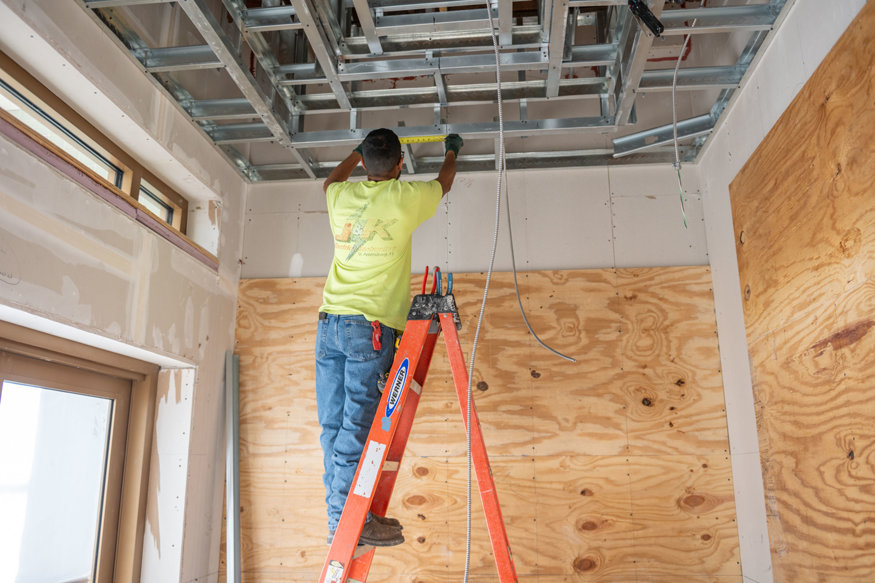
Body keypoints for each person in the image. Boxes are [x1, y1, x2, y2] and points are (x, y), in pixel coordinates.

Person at [316, 129, 463, 547]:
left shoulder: (339, 198)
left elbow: (329, 183)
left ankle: (340, 519)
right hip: (370, 328)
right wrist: (451, 150)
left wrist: (353, 152)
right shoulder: (406, 199)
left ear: (363, 164)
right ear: (400, 165)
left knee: (333, 428)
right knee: (355, 428)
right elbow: (444, 182)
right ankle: (347, 523)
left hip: (330, 325)